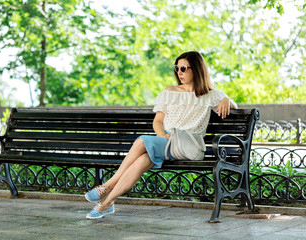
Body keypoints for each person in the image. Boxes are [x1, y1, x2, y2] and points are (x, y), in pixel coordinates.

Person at [84, 51, 238, 219]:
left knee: (142, 140)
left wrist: (226, 99)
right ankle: (106, 204)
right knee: (142, 160)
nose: (179, 72)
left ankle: (107, 185)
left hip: (189, 144)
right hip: (166, 142)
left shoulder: (210, 95)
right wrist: (161, 134)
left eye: (184, 68)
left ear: (197, 69)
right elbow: (158, 121)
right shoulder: (169, 91)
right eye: (177, 68)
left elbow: (233, 105)